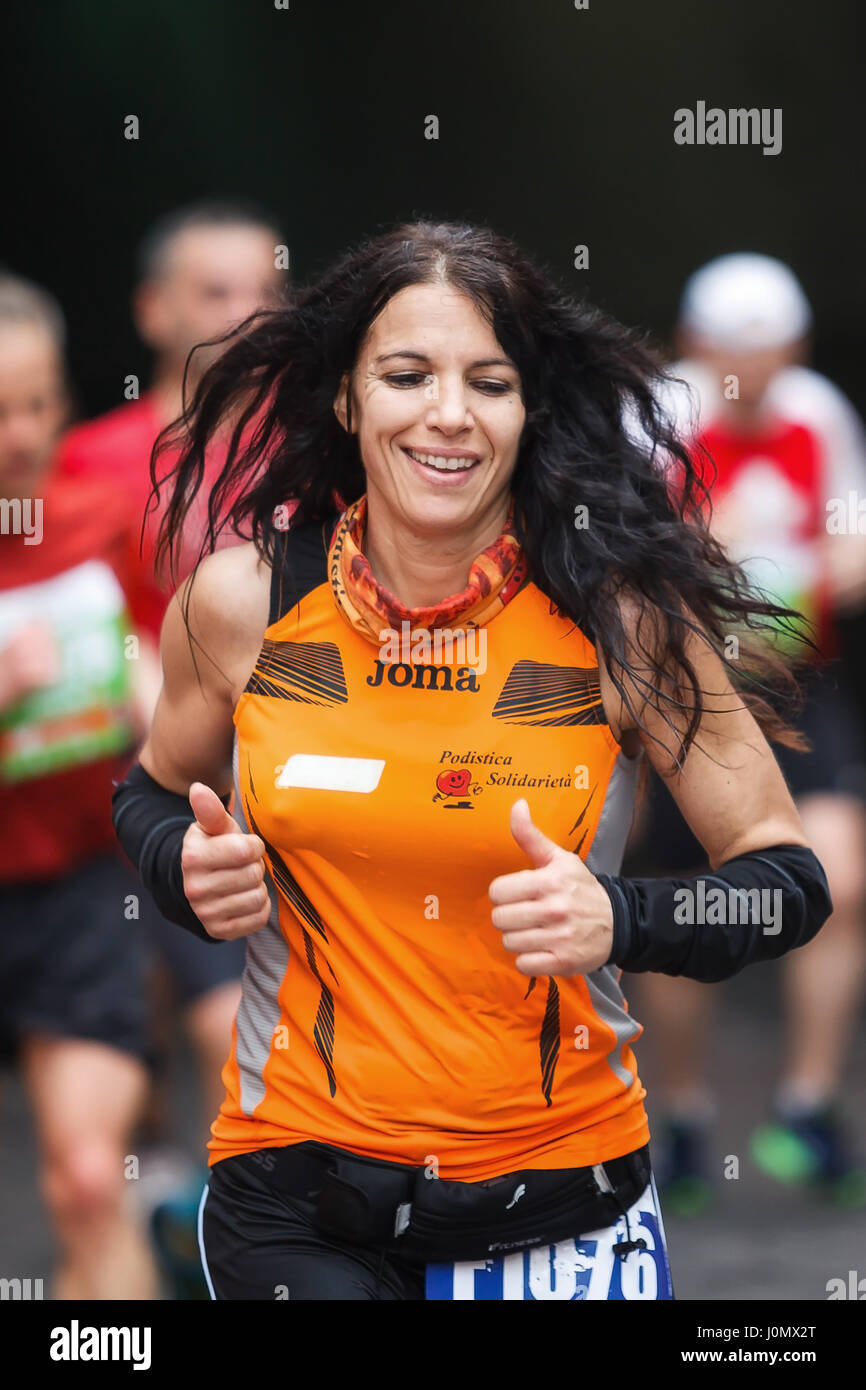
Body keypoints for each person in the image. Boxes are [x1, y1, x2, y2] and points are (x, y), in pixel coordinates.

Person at [113, 221, 832, 1301]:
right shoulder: (240, 602)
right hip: (296, 1184)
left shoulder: (616, 621)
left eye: (487, 382)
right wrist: (181, 866)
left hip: (555, 1192)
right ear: (350, 400)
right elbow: (147, 793)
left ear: (525, 409)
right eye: (406, 376)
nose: (447, 413)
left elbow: (786, 882)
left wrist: (621, 919)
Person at [56, 202, 289, 1293]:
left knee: (222, 1015)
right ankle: (156, 1201)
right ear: (153, 310)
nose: (247, 317)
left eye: (265, 292)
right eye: (215, 293)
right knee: (126, 1037)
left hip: (255, 797)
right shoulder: (89, 460)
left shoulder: (319, 450)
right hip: (107, 788)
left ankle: (204, 1221)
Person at [624, 253, 866, 1213]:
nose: (754, 373)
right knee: (687, 899)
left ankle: (806, 1104)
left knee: (842, 879)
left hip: (802, 683)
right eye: (735, 354)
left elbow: (852, 532)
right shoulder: (657, 421)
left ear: (794, 350)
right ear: (698, 346)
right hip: (687, 691)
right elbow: (615, 553)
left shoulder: (820, 413)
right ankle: (681, 1112)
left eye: (771, 353)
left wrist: (821, 570)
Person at [0, 272, 160, 1298]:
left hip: (73, 887)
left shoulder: (103, 514)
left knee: (93, 1178)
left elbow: (162, 659)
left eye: (40, 401)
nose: (21, 433)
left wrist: (162, 708)